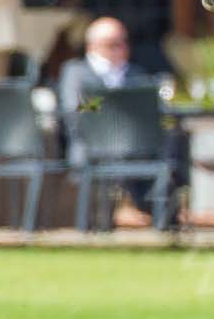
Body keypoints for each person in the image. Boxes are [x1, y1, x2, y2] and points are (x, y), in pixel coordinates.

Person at [57, 17, 178, 228]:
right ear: (92, 46)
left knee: (177, 144)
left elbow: (156, 110)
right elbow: (75, 107)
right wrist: (112, 106)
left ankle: (167, 216)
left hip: (139, 148)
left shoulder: (136, 74)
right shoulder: (76, 72)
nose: (119, 49)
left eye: (123, 42)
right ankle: (124, 211)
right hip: (94, 147)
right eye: (112, 44)